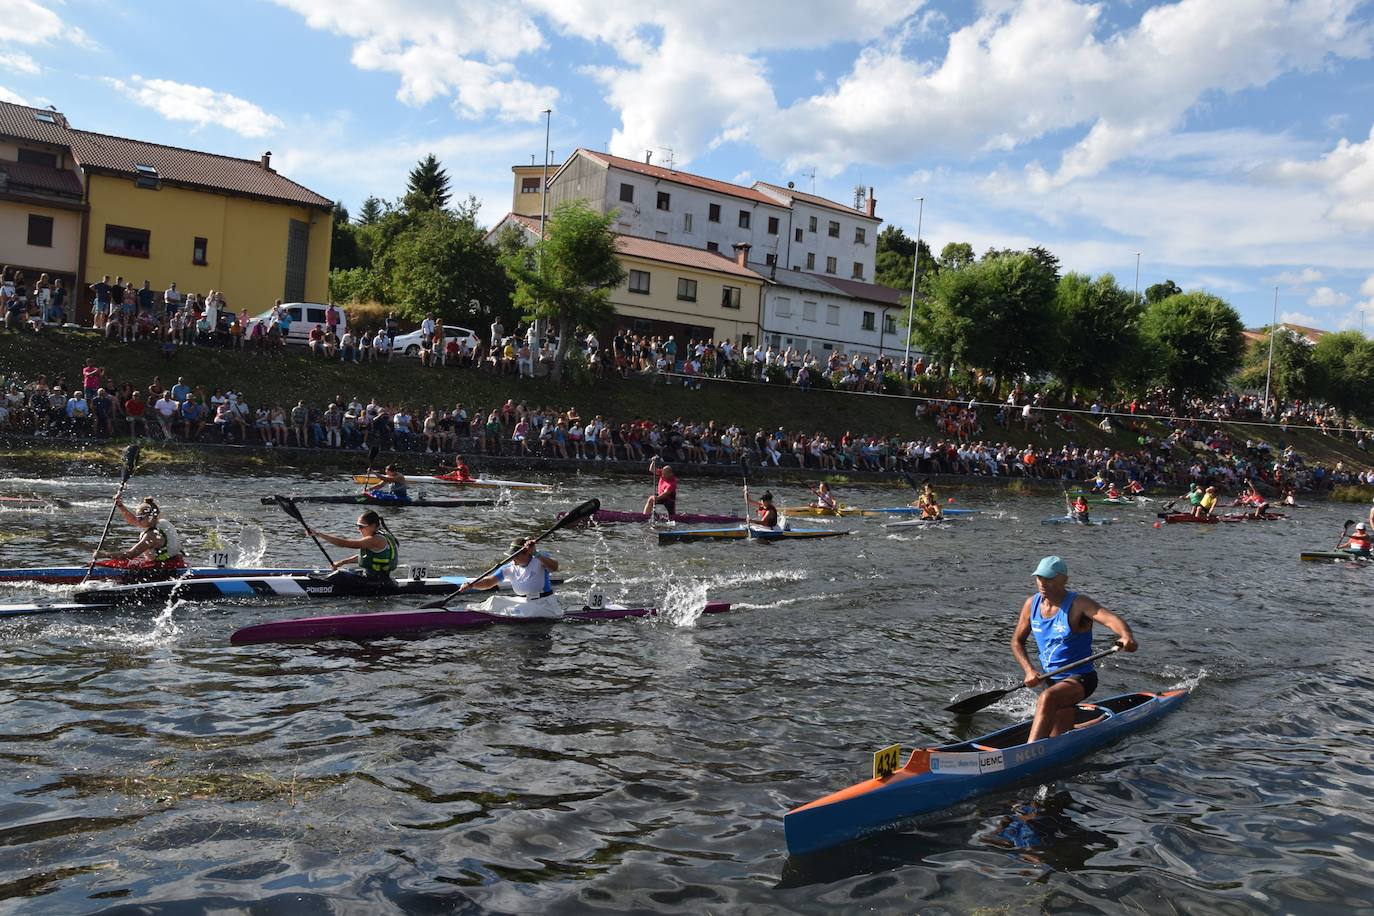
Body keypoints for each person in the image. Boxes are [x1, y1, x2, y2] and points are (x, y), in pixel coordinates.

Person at [1012, 556, 1138, 742]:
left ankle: (1029, 751)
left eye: (1049, 579)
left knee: (1047, 698)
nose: (1042, 583)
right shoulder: (1032, 604)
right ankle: (1085, 725)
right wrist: (1029, 670)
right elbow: (1016, 642)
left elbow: (1109, 618)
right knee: (1058, 736)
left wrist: (1126, 636)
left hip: (1080, 678)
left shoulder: (1079, 604)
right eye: (1039, 578)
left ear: (1064, 580)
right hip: (1050, 679)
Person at [457, 538, 561, 619]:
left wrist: (535, 553)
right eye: (511, 556)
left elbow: (554, 567)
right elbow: (489, 582)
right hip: (524, 601)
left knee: (519, 610)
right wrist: (472, 584)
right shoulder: (509, 568)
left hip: (544, 603)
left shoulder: (539, 558)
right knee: (494, 600)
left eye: (515, 556)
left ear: (526, 553)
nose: (512, 559)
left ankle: (496, 616)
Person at [306, 511, 399, 583]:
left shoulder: (376, 540)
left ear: (373, 526)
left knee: (339, 575)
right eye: (357, 526)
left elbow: (344, 543)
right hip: (377, 578)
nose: (359, 529)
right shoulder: (380, 535)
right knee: (349, 571)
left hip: (376, 582)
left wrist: (318, 534)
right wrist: (342, 562)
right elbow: (366, 557)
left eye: (361, 526)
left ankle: (314, 583)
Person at [95, 497, 186, 570]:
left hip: (164, 569)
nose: (137, 520)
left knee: (120, 563)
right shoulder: (161, 522)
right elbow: (133, 520)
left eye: (140, 518)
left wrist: (104, 554)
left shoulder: (151, 536)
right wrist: (120, 505)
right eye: (138, 517)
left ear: (150, 517)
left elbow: (130, 555)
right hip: (175, 562)